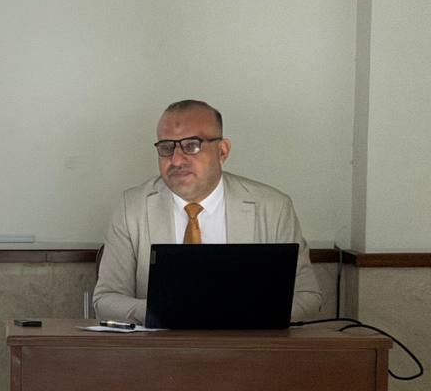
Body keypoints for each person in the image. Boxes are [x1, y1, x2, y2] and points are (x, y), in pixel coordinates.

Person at [93, 99, 321, 324]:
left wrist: (240, 312)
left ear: (222, 151)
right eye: (166, 147)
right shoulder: (132, 207)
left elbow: (308, 298)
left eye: (191, 145)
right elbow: (106, 300)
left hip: (246, 344)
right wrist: (162, 310)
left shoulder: (273, 207)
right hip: (161, 345)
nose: (176, 160)